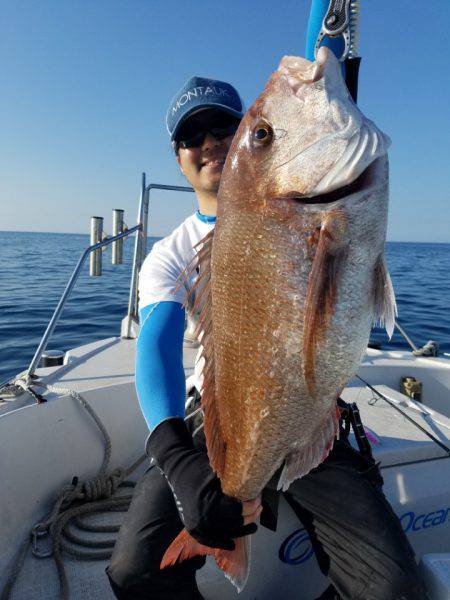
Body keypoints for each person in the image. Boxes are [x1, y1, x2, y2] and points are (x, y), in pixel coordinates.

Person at [106, 76, 425, 600]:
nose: (208, 141)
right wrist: (175, 458)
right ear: (177, 156)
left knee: (394, 588)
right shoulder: (169, 254)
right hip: (220, 420)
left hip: (309, 416)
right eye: (192, 135)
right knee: (135, 571)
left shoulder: (306, 203)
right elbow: (157, 345)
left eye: (225, 127)